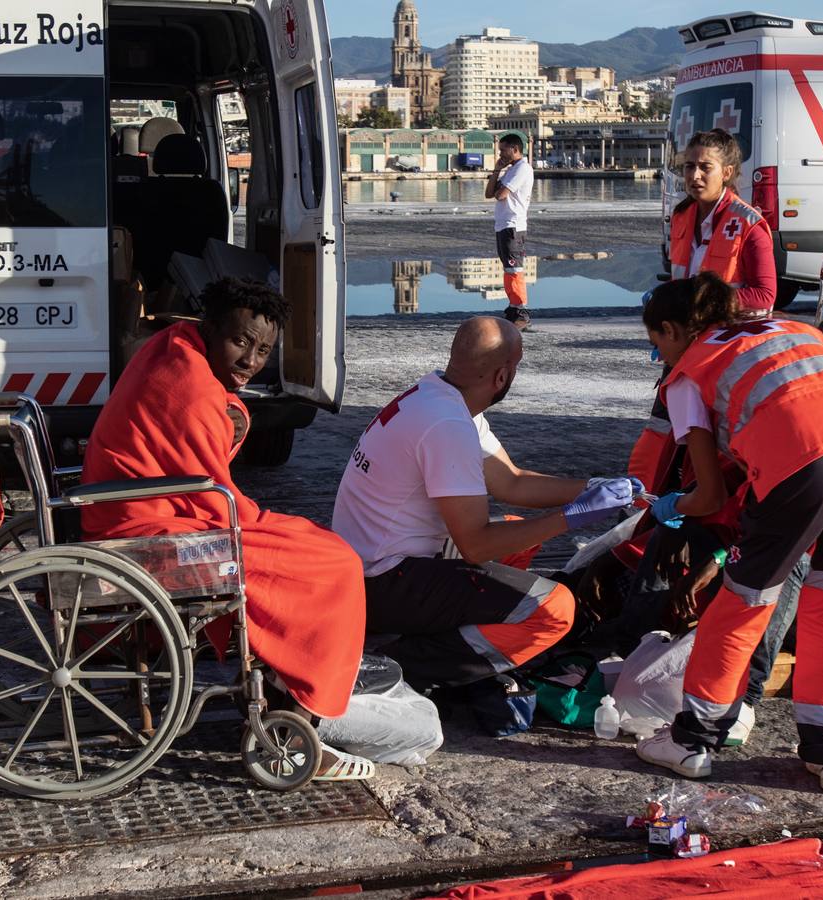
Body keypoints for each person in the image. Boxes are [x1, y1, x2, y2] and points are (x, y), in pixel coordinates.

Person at [80, 277, 373, 781]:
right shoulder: (189, 387)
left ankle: (288, 693)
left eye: (263, 350)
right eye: (241, 341)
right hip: (144, 527)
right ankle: (297, 714)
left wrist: (235, 413)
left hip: (146, 508)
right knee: (333, 564)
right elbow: (213, 496)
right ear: (210, 329)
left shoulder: (173, 346)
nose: (250, 361)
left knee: (317, 547)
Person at [634, 272, 823, 793]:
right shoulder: (782, 328)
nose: (661, 360)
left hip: (805, 461)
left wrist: (672, 504)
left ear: (672, 329)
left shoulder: (689, 376)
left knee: (745, 600)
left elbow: (710, 496)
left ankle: (692, 741)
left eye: (658, 346)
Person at [332, 316, 637, 692]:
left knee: (515, 531)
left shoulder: (439, 396)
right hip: (382, 581)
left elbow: (512, 481)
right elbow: (477, 544)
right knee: (555, 609)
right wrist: (569, 518)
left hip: (374, 566)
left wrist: (590, 488)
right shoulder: (447, 423)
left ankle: (443, 646)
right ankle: (397, 669)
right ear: (501, 377)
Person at [629, 128, 776, 494]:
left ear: (726, 171)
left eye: (704, 167)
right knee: (661, 436)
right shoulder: (681, 216)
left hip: (722, 358)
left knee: (714, 450)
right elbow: (678, 276)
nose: (693, 176)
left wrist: (702, 303)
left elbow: (765, 296)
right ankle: (640, 515)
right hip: (680, 350)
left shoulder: (749, 225)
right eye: (688, 166)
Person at [485, 134, 534, 330]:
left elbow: (500, 195)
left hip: (514, 225)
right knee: (508, 269)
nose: (500, 153)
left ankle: (521, 311)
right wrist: (497, 170)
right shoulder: (511, 170)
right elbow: (489, 193)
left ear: (515, 149)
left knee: (515, 269)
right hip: (504, 224)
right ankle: (513, 308)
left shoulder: (522, 168)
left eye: (503, 150)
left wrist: (500, 187)